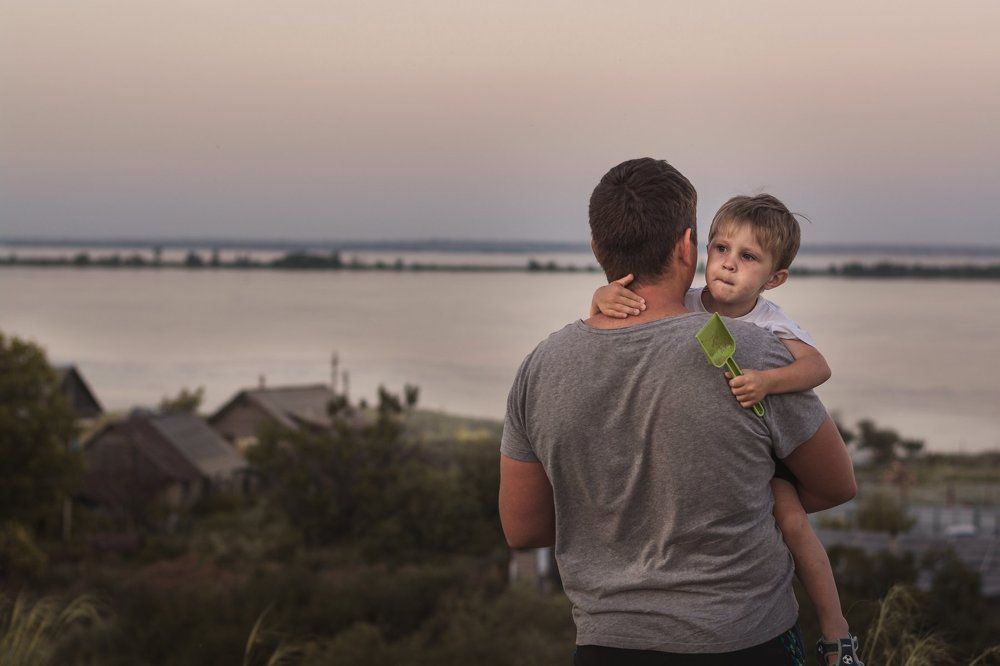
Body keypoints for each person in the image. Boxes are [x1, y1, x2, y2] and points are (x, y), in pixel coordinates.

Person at [499, 158, 858, 666]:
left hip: (608, 645)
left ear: (598, 249)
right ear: (690, 246)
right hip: (742, 641)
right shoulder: (749, 350)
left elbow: (524, 530)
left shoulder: (539, 368)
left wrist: (622, 519)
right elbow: (836, 484)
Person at [590, 194, 863, 665]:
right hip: (710, 446)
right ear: (700, 250)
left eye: (748, 257)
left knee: (793, 523)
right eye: (720, 249)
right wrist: (602, 296)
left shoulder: (771, 325)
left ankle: (837, 632)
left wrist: (767, 381)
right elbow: (629, 312)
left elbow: (817, 367)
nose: (729, 265)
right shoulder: (689, 302)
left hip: (764, 453)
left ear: (774, 278)